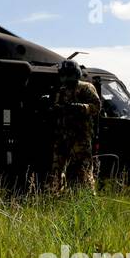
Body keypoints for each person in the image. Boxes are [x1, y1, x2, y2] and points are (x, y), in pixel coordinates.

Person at [47, 60, 100, 193]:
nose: (66, 77)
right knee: (57, 168)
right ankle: (56, 194)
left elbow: (96, 106)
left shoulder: (86, 87)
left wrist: (82, 108)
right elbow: (56, 107)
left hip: (80, 136)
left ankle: (88, 197)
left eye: (68, 74)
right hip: (63, 135)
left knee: (84, 169)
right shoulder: (62, 90)